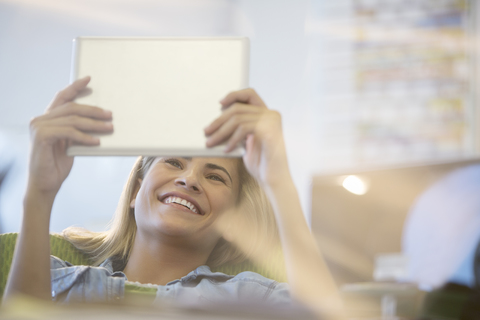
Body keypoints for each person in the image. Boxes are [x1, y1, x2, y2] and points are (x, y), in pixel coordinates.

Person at [4, 77, 341, 315]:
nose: (190, 179)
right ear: (136, 190)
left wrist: (279, 182)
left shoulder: (247, 296)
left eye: (215, 176)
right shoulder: (56, 280)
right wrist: (39, 192)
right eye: (174, 162)